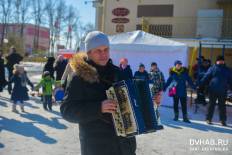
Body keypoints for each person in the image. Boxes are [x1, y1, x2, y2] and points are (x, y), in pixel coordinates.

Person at [60, 31, 136, 155]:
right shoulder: (79, 78)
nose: (103, 54)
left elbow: (133, 102)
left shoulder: (119, 73)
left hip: (125, 146)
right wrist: (99, 108)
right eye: (98, 51)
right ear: (89, 53)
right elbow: (67, 110)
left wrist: (150, 102)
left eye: (106, 49)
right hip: (97, 147)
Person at [200, 55, 232, 126]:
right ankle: (208, 119)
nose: (220, 61)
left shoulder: (227, 70)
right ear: (216, 61)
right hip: (213, 90)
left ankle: (222, 120)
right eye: (219, 60)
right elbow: (206, 76)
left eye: (222, 60)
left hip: (223, 90)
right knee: (211, 105)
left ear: (223, 61)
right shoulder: (212, 68)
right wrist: (201, 84)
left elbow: (230, 80)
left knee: (222, 106)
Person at [149, 62, 165, 129]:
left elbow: (163, 81)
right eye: (152, 66)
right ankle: (154, 121)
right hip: (151, 92)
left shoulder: (160, 73)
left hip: (158, 92)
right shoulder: (149, 74)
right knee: (153, 106)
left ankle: (157, 121)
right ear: (151, 67)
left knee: (157, 106)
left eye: (155, 66)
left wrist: (161, 90)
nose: (154, 67)